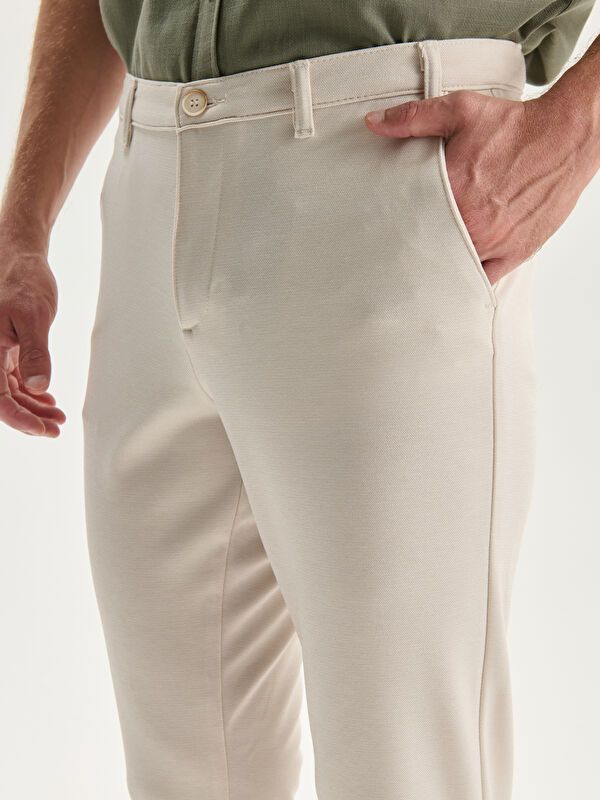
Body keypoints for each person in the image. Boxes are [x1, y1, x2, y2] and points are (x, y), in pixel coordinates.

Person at [0, 1, 598, 798]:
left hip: (388, 154)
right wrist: (23, 222)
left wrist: (579, 125)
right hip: (149, 181)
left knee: (404, 766)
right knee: (184, 777)